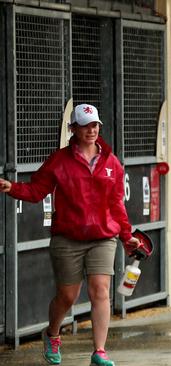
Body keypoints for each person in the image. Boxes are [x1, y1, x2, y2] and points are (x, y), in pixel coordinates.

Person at [0, 104, 141, 366]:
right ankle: (52, 333)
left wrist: (126, 235)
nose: (92, 129)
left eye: (95, 124)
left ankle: (99, 351)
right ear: (73, 129)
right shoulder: (59, 161)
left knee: (100, 290)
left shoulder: (111, 163)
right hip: (68, 238)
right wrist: (12, 188)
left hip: (102, 237)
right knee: (68, 296)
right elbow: (36, 190)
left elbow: (117, 204)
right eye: (86, 125)